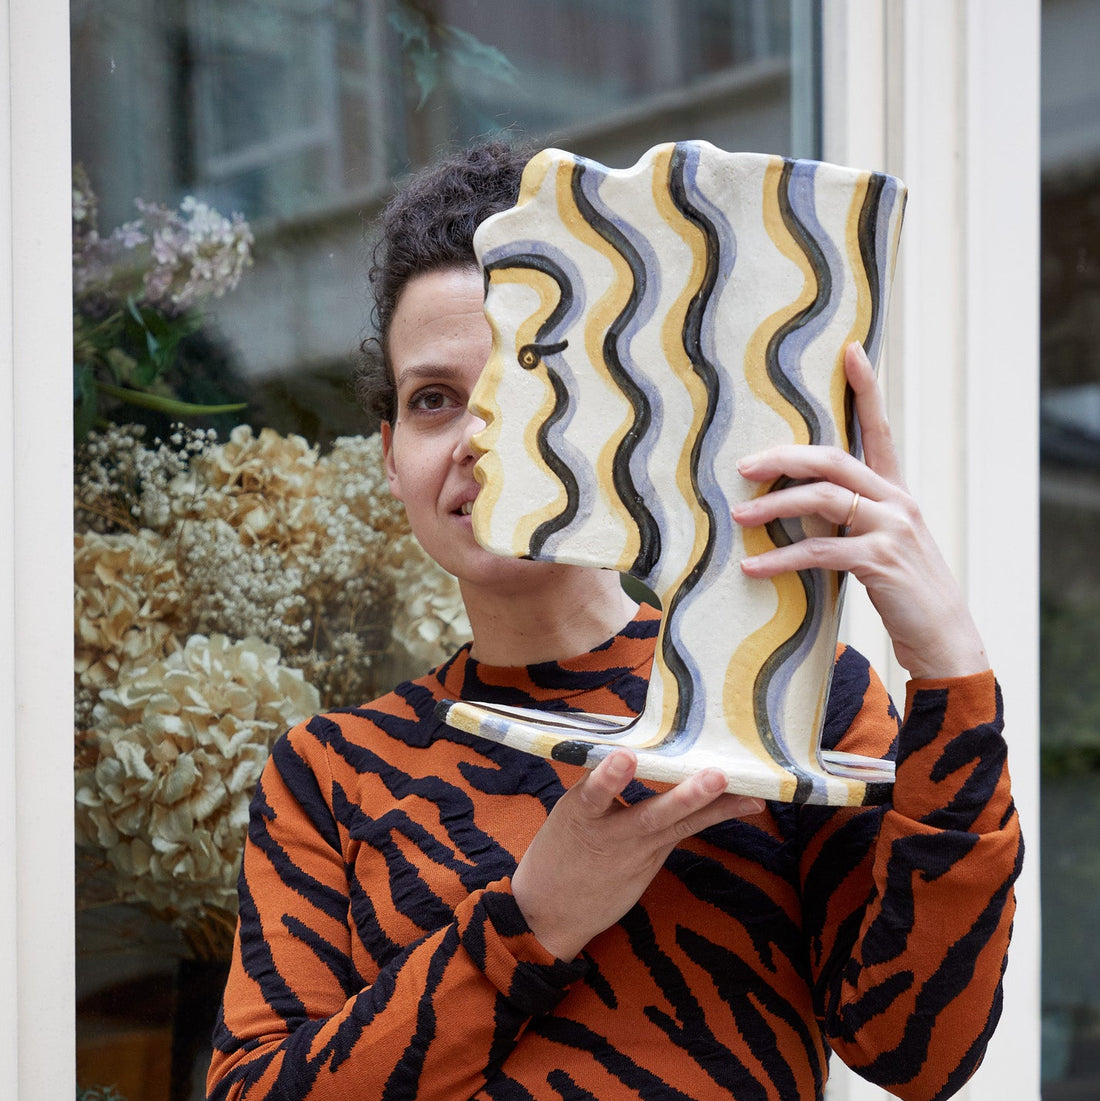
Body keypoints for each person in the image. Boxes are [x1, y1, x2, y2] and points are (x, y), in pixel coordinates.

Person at [206, 141, 1021, 1101]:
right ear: (391, 456)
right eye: (434, 401)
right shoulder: (329, 771)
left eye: (527, 375)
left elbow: (920, 1052)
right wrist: (537, 914)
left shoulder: (789, 698)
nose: (479, 435)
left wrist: (948, 663)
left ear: (619, 402)